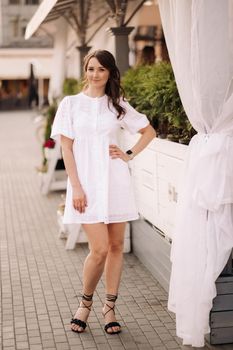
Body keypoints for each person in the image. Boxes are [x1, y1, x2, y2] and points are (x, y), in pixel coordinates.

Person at [51, 50, 156, 335]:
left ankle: (109, 307)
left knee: (116, 247)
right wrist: (76, 187)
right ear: (85, 70)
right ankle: (85, 303)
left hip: (115, 182)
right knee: (98, 249)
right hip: (85, 186)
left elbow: (149, 131)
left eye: (101, 69)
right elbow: (66, 148)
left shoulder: (118, 105)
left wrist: (128, 153)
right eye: (90, 68)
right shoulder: (71, 104)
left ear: (110, 72)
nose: (95, 74)